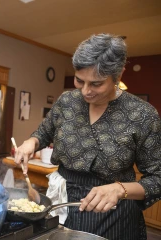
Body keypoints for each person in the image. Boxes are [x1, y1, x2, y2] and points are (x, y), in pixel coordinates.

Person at [14, 33, 161, 240]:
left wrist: (120, 190)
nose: (85, 91)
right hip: (63, 205)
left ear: (118, 75)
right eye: (79, 80)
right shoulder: (67, 101)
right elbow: (44, 132)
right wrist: (32, 142)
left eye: (96, 84)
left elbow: (158, 178)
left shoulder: (142, 115)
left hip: (114, 215)